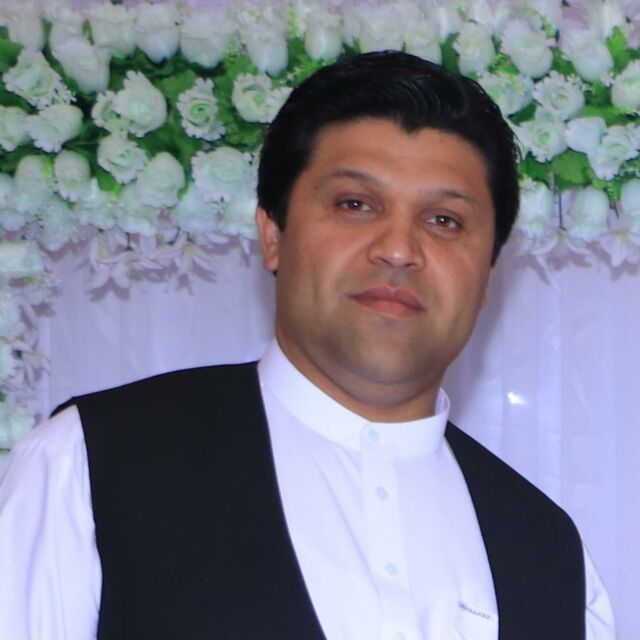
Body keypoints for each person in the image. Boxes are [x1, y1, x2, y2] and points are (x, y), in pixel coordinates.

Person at [0, 52, 614, 640]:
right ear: (273, 234)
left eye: (444, 221)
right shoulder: (90, 464)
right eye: (356, 204)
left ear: (486, 275)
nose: (399, 249)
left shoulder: (550, 554)